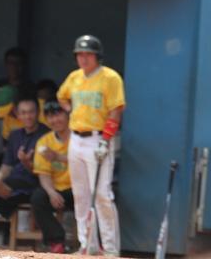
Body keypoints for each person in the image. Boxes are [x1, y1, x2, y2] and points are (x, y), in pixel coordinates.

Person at [57, 34, 124, 256]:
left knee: (102, 194)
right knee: (81, 195)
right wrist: (70, 109)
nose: (83, 58)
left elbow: (116, 110)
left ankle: (111, 249)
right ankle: (87, 244)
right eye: (80, 54)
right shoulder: (74, 77)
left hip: (98, 138)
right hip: (76, 138)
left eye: (88, 54)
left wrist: (106, 140)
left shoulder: (110, 77)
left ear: (97, 56)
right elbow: (62, 96)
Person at [0, 96, 48, 247]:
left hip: (31, 185)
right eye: (23, 112)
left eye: (31, 112)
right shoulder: (15, 135)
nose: (27, 116)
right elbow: (6, 167)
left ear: (38, 112)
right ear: (18, 115)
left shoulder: (46, 135)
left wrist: (26, 163)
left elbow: (45, 173)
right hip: (9, 182)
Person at [31, 99, 73, 254]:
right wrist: (51, 192)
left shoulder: (79, 137)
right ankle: (56, 242)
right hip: (56, 189)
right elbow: (43, 173)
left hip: (78, 188)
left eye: (58, 114)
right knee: (38, 198)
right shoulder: (44, 142)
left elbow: (83, 161)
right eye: (50, 116)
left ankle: (90, 243)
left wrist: (58, 157)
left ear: (68, 115)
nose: (55, 120)